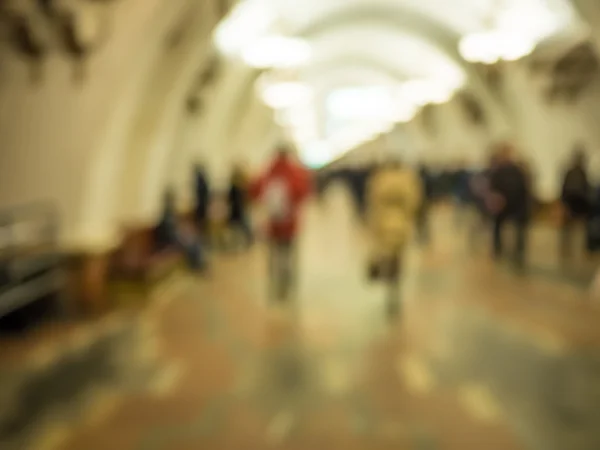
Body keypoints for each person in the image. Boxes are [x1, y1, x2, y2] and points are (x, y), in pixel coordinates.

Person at [250, 145, 311, 301]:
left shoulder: (268, 170)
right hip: (290, 224)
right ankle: (288, 284)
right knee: (289, 255)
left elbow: (254, 190)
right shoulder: (295, 172)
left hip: (273, 225)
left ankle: (274, 283)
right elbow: (303, 192)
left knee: (273, 255)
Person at [366, 158, 422, 317]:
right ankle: (395, 284)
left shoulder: (380, 178)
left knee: (386, 253)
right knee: (399, 255)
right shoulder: (407, 179)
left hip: (383, 221)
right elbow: (414, 201)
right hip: (401, 221)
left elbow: (373, 201)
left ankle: (390, 282)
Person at [487, 142, 531, 269]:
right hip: (502, 205)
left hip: (517, 204)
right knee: (497, 224)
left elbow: (524, 188)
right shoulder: (498, 171)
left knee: (521, 227)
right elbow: (492, 188)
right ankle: (497, 249)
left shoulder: (518, 170)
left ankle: (519, 252)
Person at [155, 189, 206, 272]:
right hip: (169, 240)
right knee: (191, 244)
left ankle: (198, 264)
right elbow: (169, 232)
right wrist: (181, 236)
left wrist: (183, 233)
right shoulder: (166, 215)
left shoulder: (171, 213)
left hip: (175, 237)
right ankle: (195, 266)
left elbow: (176, 227)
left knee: (195, 241)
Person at [560, 147, 590, 259]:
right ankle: (572, 254)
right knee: (574, 233)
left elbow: (563, 189)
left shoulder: (573, 172)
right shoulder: (581, 173)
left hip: (572, 207)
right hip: (576, 208)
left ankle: (568, 254)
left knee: (570, 233)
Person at [227, 165, 253, 249]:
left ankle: (242, 243)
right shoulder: (237, 187)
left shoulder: (238, 187)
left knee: (240, 227)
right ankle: (240, 243)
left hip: (237, 210)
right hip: (237, 210)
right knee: (240, 227)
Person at [193, 163, 210, 237]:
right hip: (202, 205)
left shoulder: (200, 182)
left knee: (202, 221)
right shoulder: (201, 181)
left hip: (202, 205)